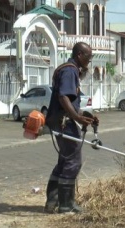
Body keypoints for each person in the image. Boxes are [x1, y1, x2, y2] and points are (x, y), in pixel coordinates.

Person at [44, 42, 96, 213]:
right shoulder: (70, 70)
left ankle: (53, 201)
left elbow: (71, 102)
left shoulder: (69, 69)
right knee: (73, 160)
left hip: (60, 119)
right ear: (80, 55)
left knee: (65, 160)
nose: (90, 60)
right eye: (89, 56)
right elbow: (63, 97)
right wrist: (76, 117)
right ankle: (66, 204)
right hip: (63, 121)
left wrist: (85, 115)